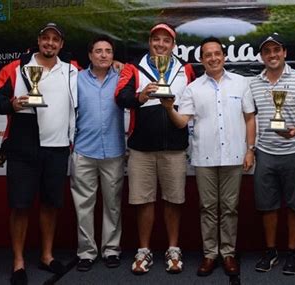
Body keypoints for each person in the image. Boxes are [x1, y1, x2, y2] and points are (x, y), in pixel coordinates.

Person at [160, 36, 256, 277]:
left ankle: (228, 253)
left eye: (217, 53)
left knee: (230, 207)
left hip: (234, 156)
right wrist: (169, 108)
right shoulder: (193, 88)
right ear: (201, 59)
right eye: (207, 55)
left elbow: (249, 118)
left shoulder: (241, 83)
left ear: (223, 56)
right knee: (208, 208)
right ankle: (210, 254)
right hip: (204, 157)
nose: (213, 58)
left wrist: (250, 149)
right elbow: (183, 122)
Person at [0, 22, 77, 284]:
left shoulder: (72, 70)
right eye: (45, 38)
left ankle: (47, 256)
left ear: (61, 44)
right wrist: (14, 104)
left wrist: (117, 65)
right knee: (20, 205)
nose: (50, 43)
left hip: (58, 147)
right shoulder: (15, 67)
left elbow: (99, 73)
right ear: (39, 41)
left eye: (55, 40)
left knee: (51, 204)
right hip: (23, 148)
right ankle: (18, 261)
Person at [115, 22, 195, 275]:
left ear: (173, 45)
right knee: (143, 201)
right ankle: (144, 250)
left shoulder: (186, 70)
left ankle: (173, 248)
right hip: (141, 148)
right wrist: (141, 97)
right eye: (156, 40)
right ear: (149, 42)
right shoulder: (133, 69)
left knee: (174, 200)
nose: (161, 44)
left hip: (175, 147)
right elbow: (120, 97)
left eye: (166, 40)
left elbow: (194, 102)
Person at [250, 33, 295, 275]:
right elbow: (249, 117)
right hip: (265, 152)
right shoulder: (254, 83)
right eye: (267, 51)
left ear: (285, 53)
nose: (272, 55)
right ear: (261, 56)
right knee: (267, 206)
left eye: (276, 50)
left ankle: (292, 253)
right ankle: (271, 251)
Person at [70, 35, 125, 272]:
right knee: (84, 205)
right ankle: (86, 252)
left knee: (112, 205)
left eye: (108, 51)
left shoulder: (123, 77)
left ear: (113, 55)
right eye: (99, 51)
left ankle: (111, 250)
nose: (104, 55)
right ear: (90, 55)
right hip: (84, 150)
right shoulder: (76, 79)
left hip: (113, 151)